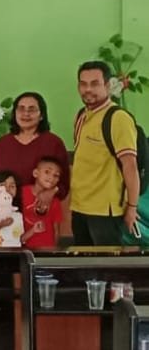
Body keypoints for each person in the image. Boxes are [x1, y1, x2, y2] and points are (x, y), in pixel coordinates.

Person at [71, 60, 141, 245]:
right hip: (79, 207)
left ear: (108, 85)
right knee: (83, 268)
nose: (88, 89)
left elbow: (130, 166)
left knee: (106, 269)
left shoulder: (118, 118)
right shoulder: (81, 116)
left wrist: (132, 207)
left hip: (105, 212)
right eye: (83, 84)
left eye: (95, 83)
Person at [0, 92, 70, 216]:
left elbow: (64, 182)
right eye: (21, 109)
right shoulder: (3, 143)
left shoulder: (53, 142)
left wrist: (51, 192)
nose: (26, 114)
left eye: (32, 109)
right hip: (6, 212)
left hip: (40, 210)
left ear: (41, 115)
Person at [20, 157, 64, 248]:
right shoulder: (21, 193)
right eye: (47, 172)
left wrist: (53, 251)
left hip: (46, 249)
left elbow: (56, 230)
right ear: (35, 173)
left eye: (56, 175)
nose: (51, 177)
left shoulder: (55, 201)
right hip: (24, 248)